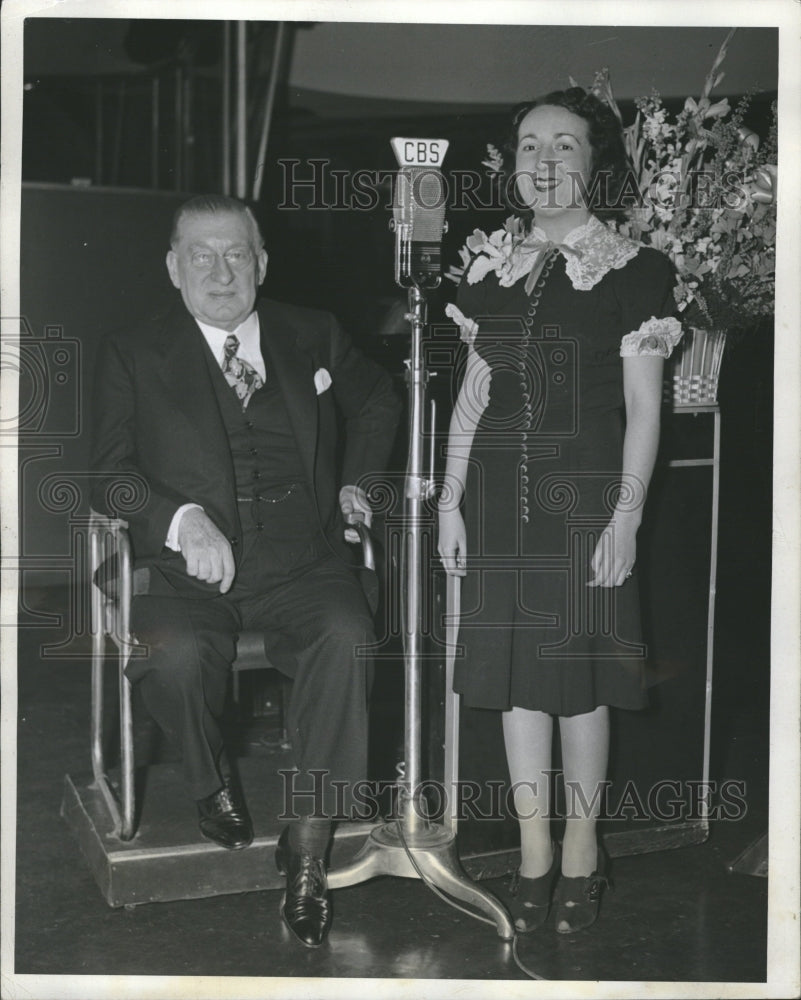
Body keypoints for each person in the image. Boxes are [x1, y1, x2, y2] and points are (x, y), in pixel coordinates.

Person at [90, 194, 401, 947]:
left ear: (262, 263)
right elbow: (107, 475)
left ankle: (306, 844)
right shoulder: (133, 351)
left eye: (236, 255)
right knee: (175, 655)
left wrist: (360, 482)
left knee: (347, 634)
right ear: (173, 268)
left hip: (302, 561)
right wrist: (180, 517)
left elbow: (379, 398)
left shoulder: (313, 333)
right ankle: (209, 781)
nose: (220, 271)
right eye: (201, 255)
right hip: (181, 572)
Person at [438, 88, 682, 934]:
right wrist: (449, 499)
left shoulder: (637, 268)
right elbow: (472, 396)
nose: (544, 163)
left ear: (595, 163)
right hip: (499, 502)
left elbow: (644, 411)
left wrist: (625, 518)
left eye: (564, 146)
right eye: (530, 146)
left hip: (583, 502)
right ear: (511, 164)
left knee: (578, 686)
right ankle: (533, 850)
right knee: (515, 687)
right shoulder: (484, 266)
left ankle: (583, 846)